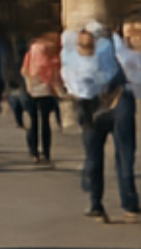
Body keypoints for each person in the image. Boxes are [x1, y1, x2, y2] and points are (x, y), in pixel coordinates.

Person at [69, 21, 128, 219]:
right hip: (91, 112)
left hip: (113, 108)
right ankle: (95, 201)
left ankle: (127, 202)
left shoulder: (116, 56)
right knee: (93, 159)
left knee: (122, 158)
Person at [20, 30, 63, 166]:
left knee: (36, 121)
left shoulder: (34, 51)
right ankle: (43, 152)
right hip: (43, 89)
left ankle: (35, 152)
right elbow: (55, 74)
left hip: (35, 88)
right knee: (42, 121)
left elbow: (25, 70)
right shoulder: (52, 55)